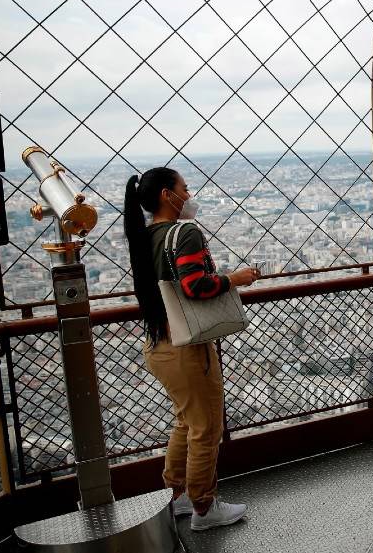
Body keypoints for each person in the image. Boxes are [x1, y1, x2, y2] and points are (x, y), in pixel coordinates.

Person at [123, 168, 260, 530]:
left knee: (185, 422)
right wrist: (236, 278)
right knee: (206, 427)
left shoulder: (145, 235)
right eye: (185, 188)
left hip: (159, 344)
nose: (189, 193)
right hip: (187, 347)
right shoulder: (183, 233)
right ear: (168, 195)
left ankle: (178, 495)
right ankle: (204, 505)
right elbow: (195, 285)